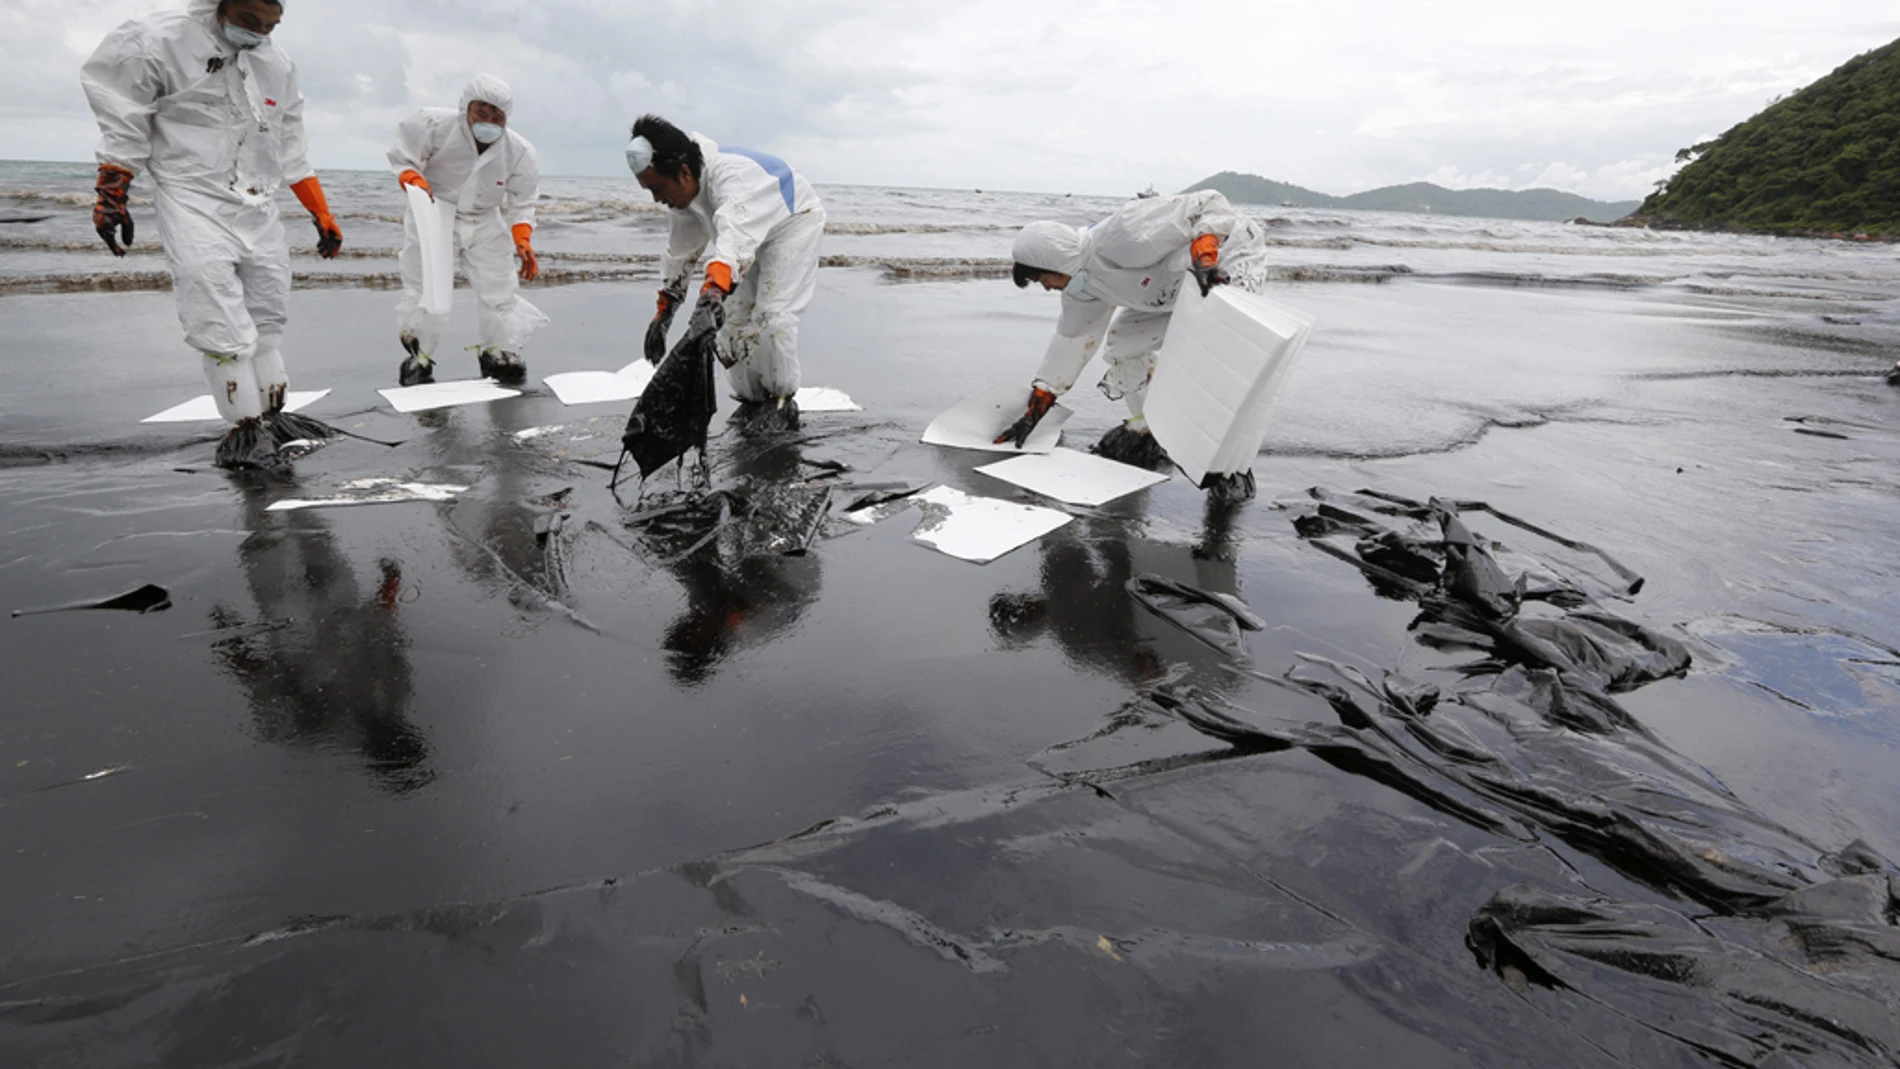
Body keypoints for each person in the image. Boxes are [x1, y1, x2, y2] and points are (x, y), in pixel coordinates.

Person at [82, 0, 343, 469]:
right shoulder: (155, 40)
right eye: (249, 21)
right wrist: (112, 192)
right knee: (215, 308)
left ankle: (273, 416)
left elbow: (288, 142)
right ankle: (243, 427)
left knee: (269, 310)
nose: (260, 32)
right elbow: (123, 115)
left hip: (258, 202)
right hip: (192, 197)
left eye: (271, 25)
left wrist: (320, 212)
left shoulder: (275, 63)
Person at [999, 190, 1271, 502]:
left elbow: (1208, 203)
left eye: (1041, 277)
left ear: (1053, 260)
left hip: (1226, 260)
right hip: (1171, 290)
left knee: (1221, 348)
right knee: (1123, 343)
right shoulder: (1081, 288)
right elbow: (1072, 339)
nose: (1045, 287)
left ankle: (1228, 462)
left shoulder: (1124, 232)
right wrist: (1041, 401)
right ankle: (1148, 427)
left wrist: (1206, 255)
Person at [627, 115, 825, 432]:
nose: (655, 199)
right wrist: (664, 312)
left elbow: (733, 245)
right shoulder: (684, 197)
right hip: (745, 236)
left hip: (793, 223)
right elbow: (681, 253)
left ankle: (780, 402)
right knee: (732, 322)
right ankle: (752, 403)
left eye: (657, 188)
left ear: (684, 173)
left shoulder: (732, 179)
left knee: (771, 317)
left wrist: (710, 296)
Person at [388, 74, 546, 387]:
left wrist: (523, 240)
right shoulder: (434, 125)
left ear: (506, 119)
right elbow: (404, 157)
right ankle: (420, 356)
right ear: (466, 108)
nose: (488, 121)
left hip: (485, 220)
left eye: (497, 116)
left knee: (499, 287)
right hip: (437, 211)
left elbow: (522, 202)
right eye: (482, 112)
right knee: (428, 289)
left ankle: (497, 353)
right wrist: (411, 177)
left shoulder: (519, 151)